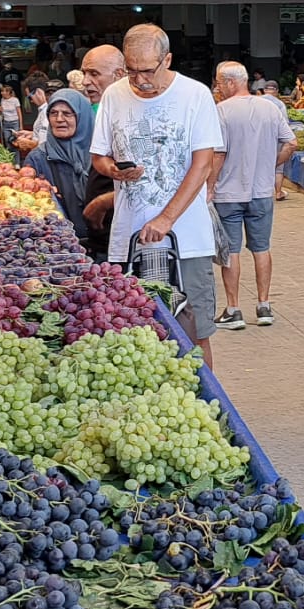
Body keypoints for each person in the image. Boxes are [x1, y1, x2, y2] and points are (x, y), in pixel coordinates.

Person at [91, 25, 224, 363]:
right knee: (133, 332)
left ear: (167, 59)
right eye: (131, 71)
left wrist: (166, 218)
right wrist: (113, 171)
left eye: (148, 70)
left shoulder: (195, 95)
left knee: (195, 333)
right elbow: (99, 156)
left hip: (187, 239)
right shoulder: (113, 96)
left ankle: (206, 407)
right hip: (129, 238)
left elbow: (203, 163)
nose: (139, 80)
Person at [211, 62, 294, 330]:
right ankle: (264, 305)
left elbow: (218, 154)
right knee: (261, 248)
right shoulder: (269, 107)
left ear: (231, 82)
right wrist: (270, 165)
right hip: (261, 191)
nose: (218, 88)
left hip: (228, 193)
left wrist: (209, 186)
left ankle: (233, 310)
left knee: (230, 251)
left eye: (219, 83)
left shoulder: (221, 112)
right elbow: (291, 142)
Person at [28, 89, 112, 261]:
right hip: (60, 252)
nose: (59, 119)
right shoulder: (38, 158)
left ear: (83, 118)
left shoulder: (102, 156)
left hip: (106, 247)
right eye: (53, 113)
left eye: (67, 113)